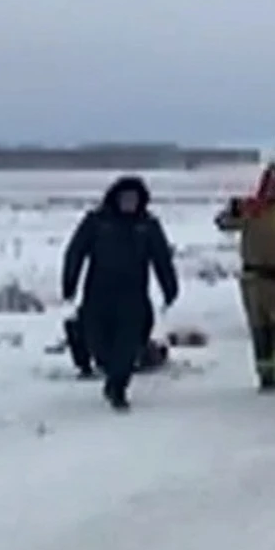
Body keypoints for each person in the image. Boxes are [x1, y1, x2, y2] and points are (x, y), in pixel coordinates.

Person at [61, 175, 179, 411]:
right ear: (115, 198)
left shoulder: (147, 226)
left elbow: (162, 259)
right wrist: (69, 284)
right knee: (100, 346)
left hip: (133, 297)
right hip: (98, 295)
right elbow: (75, 252)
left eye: (134, 199)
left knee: (127, 346)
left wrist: (169, 289)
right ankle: (107, 370)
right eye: (125, 198)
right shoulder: (96, 222)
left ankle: (118, 388)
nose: (129, 203)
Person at [219, 166, 275, 392]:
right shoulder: (252, 211)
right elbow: (224, 223)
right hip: (254, 279)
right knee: (260, 330)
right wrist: (233, 209)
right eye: (269, 185)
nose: (273, 191)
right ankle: (266, 375)